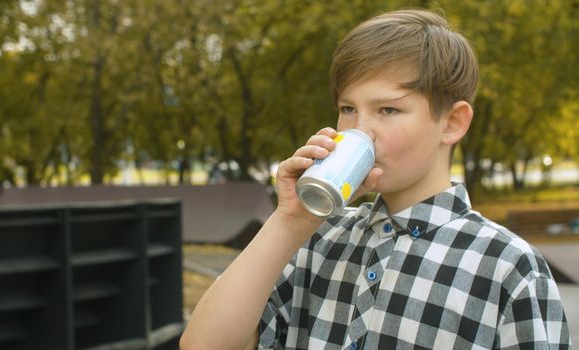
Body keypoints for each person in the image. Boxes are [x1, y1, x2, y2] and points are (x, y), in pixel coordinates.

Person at [180, 9, 570, 350]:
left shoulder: (506, 266)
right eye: (348, 108)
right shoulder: (316, 240)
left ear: (452, 122)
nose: (361, 130)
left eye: (387, 109)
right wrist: (290, 221)